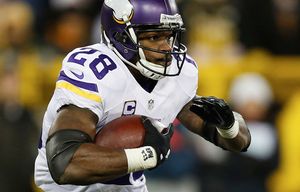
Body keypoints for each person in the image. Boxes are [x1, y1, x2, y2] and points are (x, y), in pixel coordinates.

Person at [34, 0, 251, 191]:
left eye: (169, 36)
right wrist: (145, 156)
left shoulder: (179, 74)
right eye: (154, 36)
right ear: (121, 36)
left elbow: (239, 143)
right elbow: (64, 162)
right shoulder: (95, 72)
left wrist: (229, 125)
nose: (166, 47)